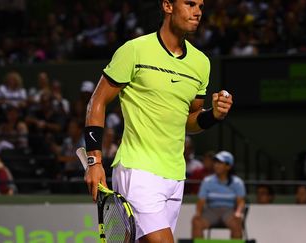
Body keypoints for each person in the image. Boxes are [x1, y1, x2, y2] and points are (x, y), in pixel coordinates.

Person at [83, 1, 233, 242]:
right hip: (138, 169)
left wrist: (213, 114)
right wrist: (94, 161)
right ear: (168, 6)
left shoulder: (201, 63)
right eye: (190, 4)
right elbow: (96, 102)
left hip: (175, 176)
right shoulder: (134, 50)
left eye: (201, 6)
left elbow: (189, 122)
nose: (197, 12)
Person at [191, 151, 246, 239]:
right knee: (196, 222)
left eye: (220, 163)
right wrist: (198, 213)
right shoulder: (207, 181)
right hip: (211, 211)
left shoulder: (237, 182)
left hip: (229, 212)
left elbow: (241, 202)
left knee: (237, 222)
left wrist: (238, 213)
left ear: (228, 166)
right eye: (215, 162)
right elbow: (201, 201)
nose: (216, 165)